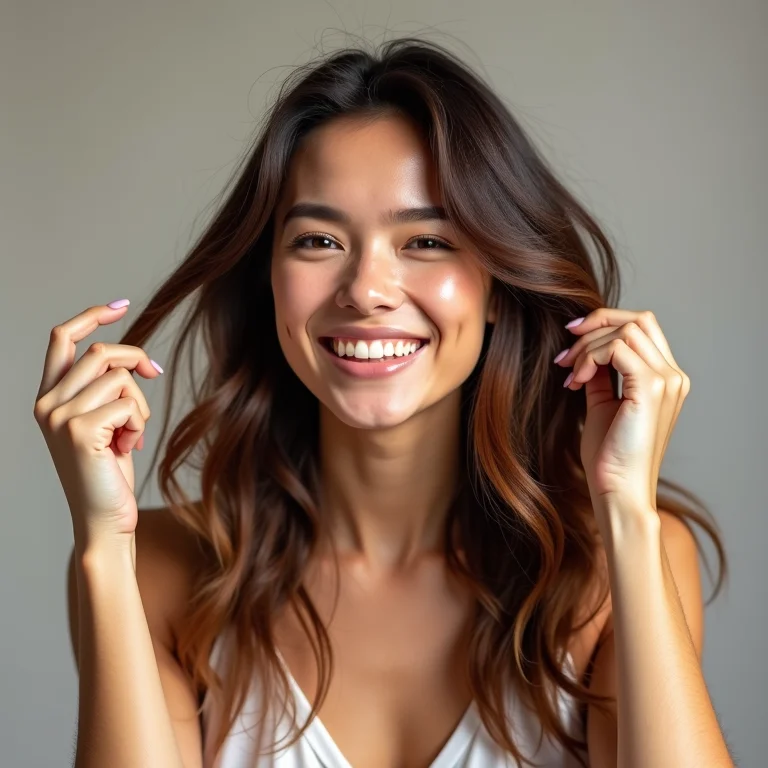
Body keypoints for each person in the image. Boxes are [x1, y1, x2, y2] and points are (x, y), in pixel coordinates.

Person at [34, 36, 732, 768]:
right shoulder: (158, 571)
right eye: (318, 240)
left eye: (426, 240)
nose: (366, 289)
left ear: (498, 282)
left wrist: (624, 509)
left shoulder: (613, 566)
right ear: (268, 280)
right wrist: (104, 550)